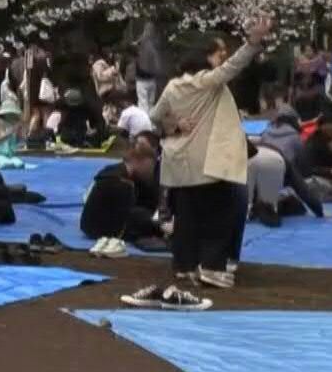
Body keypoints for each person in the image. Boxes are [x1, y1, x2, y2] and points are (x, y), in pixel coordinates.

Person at [149, 16, 269, 291]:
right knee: (220, 214)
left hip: (179, 163)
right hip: (206, 161)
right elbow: (234, 66)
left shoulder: (173, 86)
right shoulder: (206, 82)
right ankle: (213, 268)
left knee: (187, 218)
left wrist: (174, 125)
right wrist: (252, 43)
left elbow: (155, 116)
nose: (223, 58)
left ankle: (184, 267)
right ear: (205, 57)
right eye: (219, 53)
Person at [80, 133, 166, 249]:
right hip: (99, 229)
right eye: (153, 164)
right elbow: (125, 223)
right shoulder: (122, 183)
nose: (152, 170)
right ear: (144, 161)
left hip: (94, 226)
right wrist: (159, 223)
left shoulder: (115, 172)